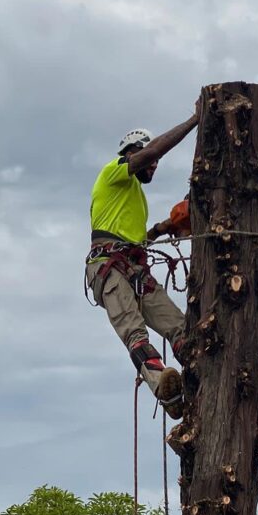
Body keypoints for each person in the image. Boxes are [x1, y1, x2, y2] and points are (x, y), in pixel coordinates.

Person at [85, 110, 199, 418]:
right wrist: (194, 120)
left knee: (180, 327)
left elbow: (136, 238)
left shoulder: (134, 196)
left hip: (134, 269)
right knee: (135, 333)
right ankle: (164, 387)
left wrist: (165, 227)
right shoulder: (114, 172)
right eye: (149, 158)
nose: (154, 164)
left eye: (156, 162)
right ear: (131, 153)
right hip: (108, 268)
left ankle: (201, 371)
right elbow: (155, 148)